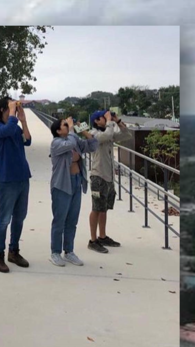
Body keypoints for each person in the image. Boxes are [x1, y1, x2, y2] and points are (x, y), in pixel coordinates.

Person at [0, 96, 32, 273]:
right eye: (11, 107)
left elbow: (27, 140)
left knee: (20, 217)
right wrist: (13, 115)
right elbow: (7, 130)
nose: (14, 109)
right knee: (4, 218)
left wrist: (24, 120)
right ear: (2, 110)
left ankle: (14, 251)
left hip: (22, 176)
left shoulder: (14, 126)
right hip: (5, 179)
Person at [48, 116, 99, 267]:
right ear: (58, 130)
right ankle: (55, 252)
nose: (67, 125)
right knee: (60, 220)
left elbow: (93, 145)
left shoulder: (72, 140)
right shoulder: (56, 143)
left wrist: (82, 129)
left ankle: (69, 251)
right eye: (64, 125)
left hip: (76, 182)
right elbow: (69, 143)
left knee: (72, 220)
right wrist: (71, 131)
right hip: (62, 185)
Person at [86, 109, 133, 253]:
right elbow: (106, 135)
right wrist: (110, 123)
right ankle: (93, 240)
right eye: (103, 117)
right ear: (96, 121)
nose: (106, 119)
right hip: (98, 177)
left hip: (109, 177)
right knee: (96, 208)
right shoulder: (94, 134)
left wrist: (117, 120)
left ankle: (102, 236)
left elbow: (127, 135)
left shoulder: (109, 131)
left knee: (104, 208)